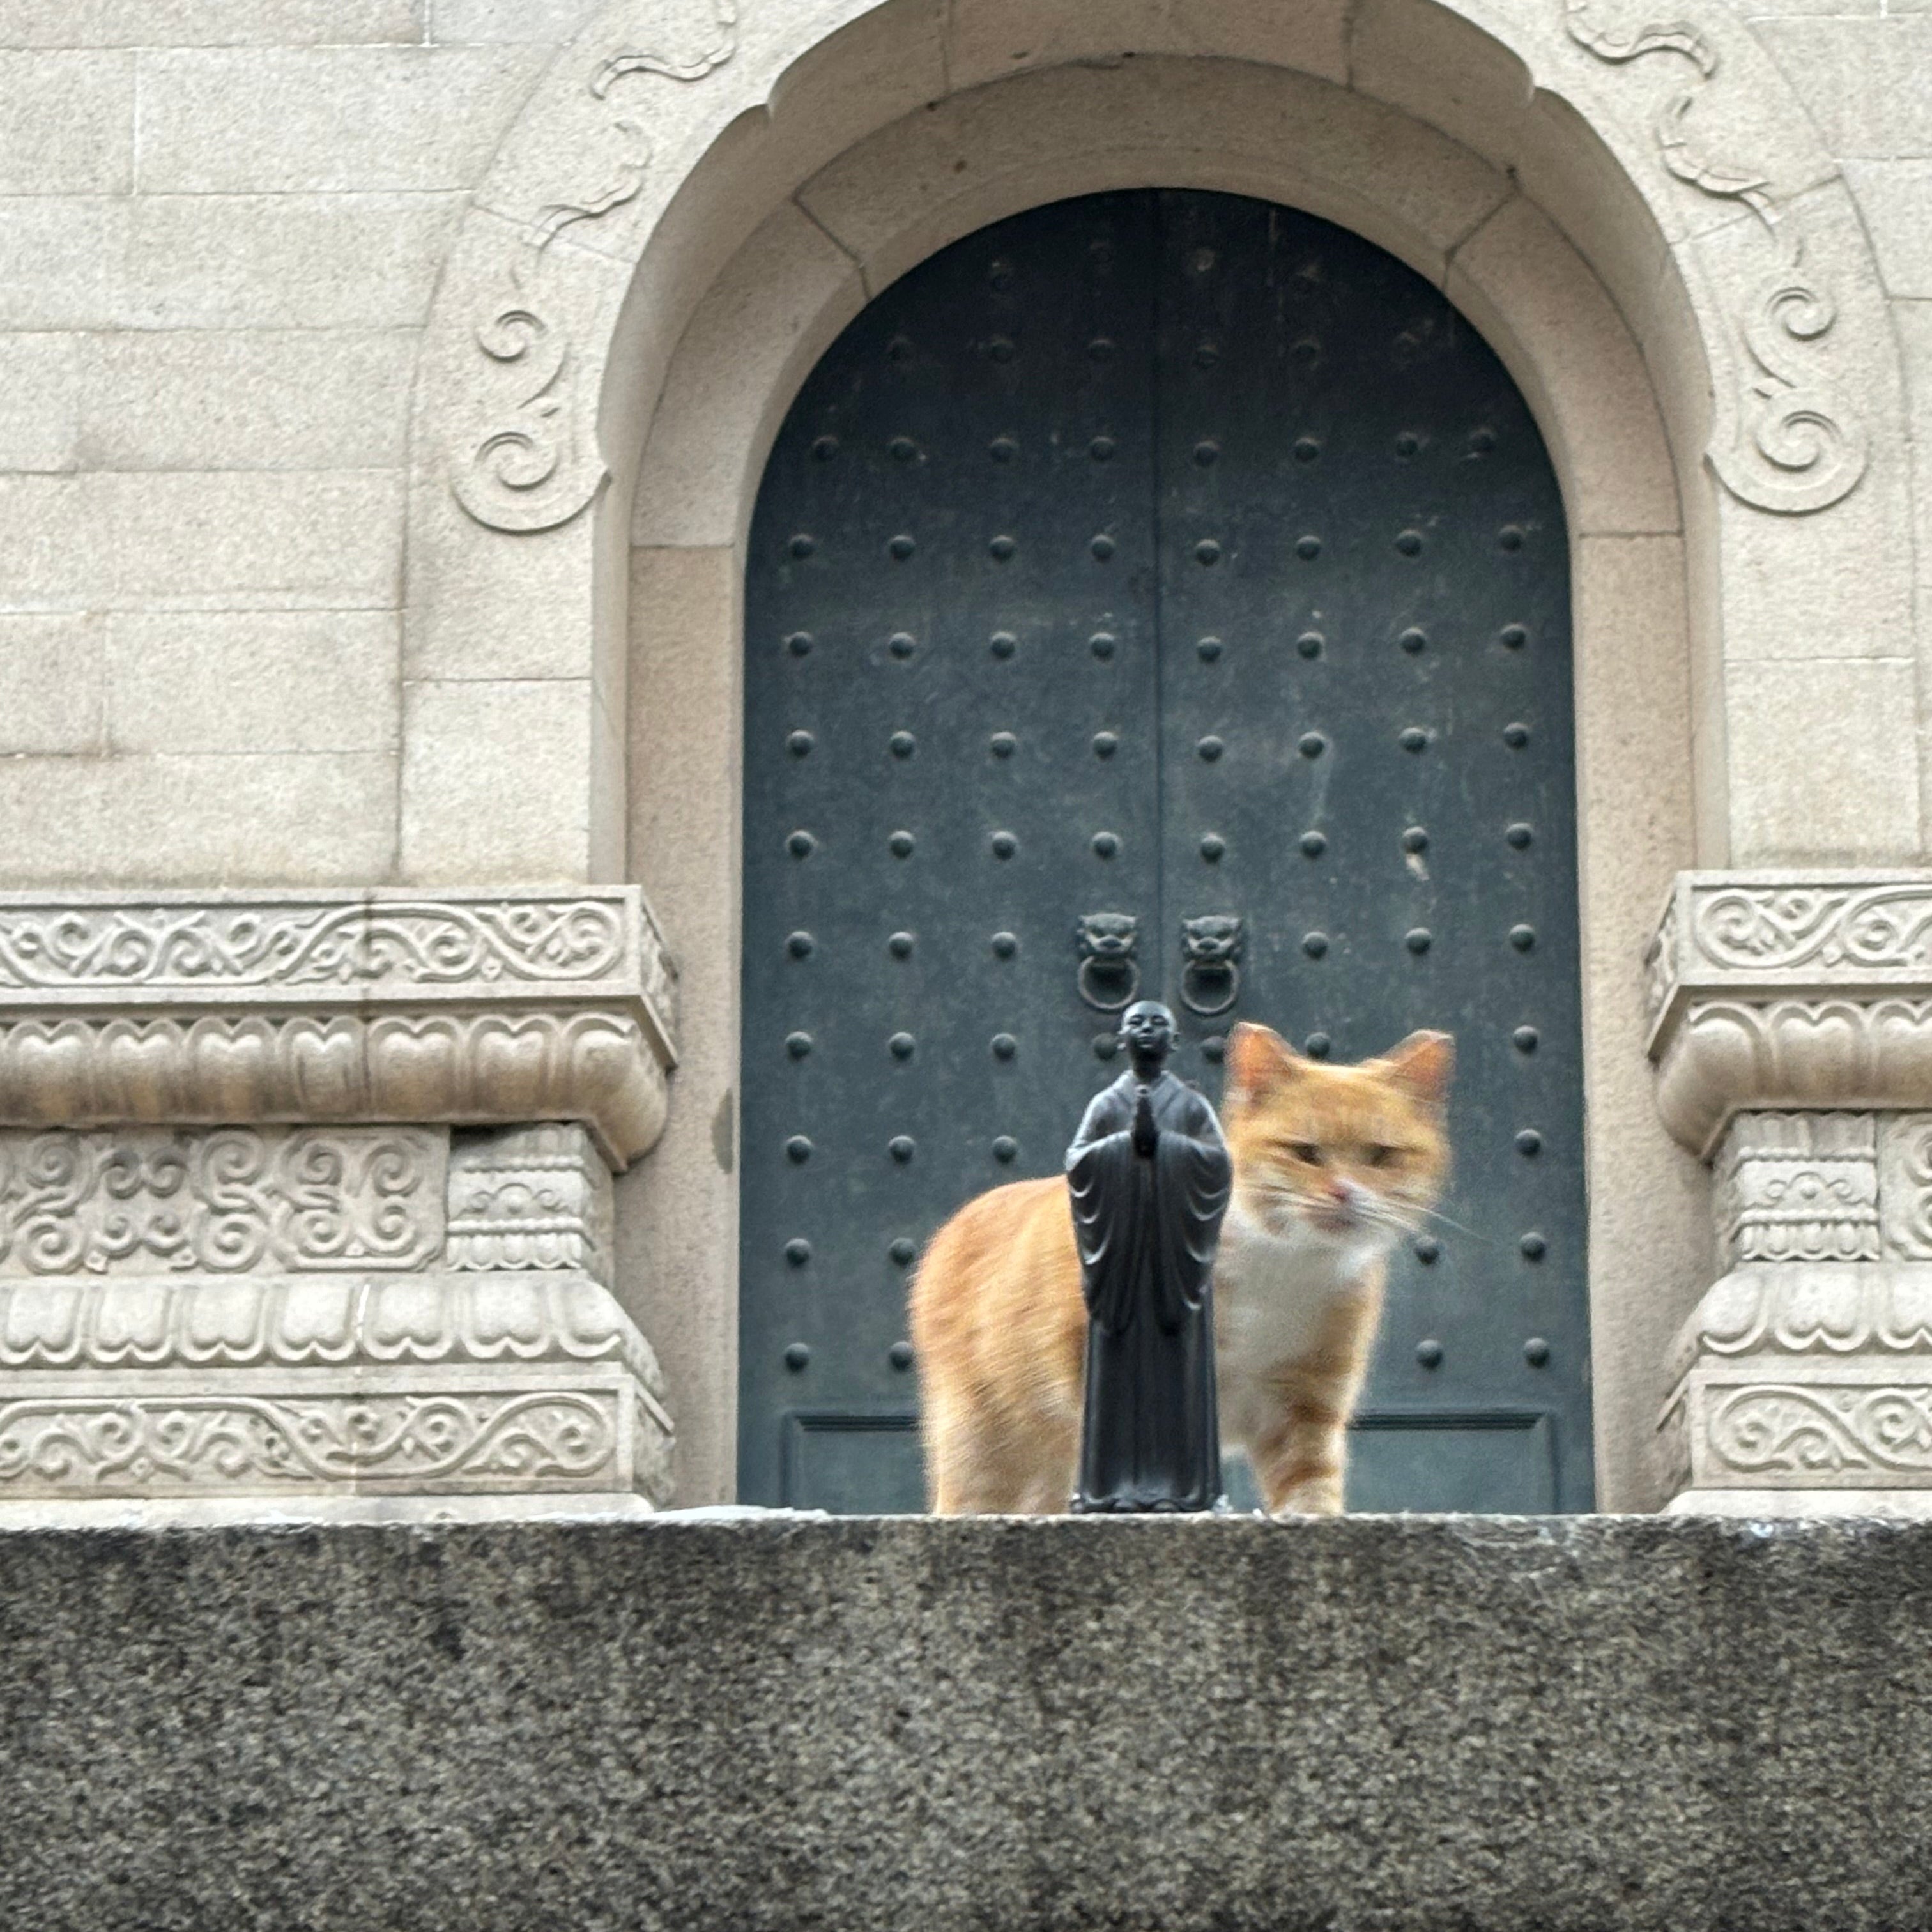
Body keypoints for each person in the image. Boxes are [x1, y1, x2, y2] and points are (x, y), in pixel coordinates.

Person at [1066, 1000, 1232, 1512]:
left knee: (1175, 1376)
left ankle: (1179, 1489)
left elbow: (1219, 1165)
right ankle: (1111, 1488)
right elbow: (1077, 1162)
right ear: (1121, 1038)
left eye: (1158, 1023)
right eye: (1136, 1022)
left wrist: (1164, 1148)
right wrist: (1125, 1145)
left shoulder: (1191, 1106)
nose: (1146, 1030)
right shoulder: (1105, 1104)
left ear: (1174, 1041)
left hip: (1170, 1263)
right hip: (1122, 1262)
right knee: (1117, 1375)